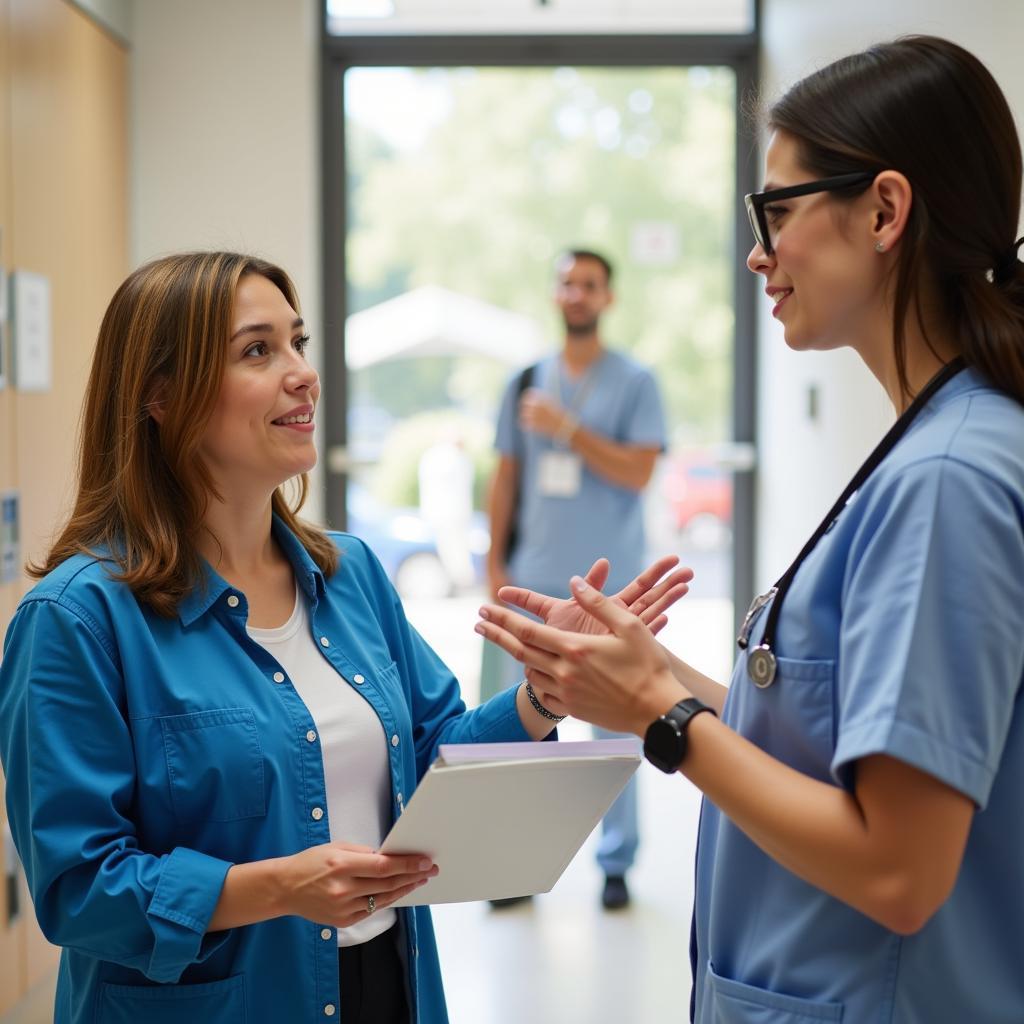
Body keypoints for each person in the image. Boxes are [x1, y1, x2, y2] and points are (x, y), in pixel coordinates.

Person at [476, 35, 1024, 1022]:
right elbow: (825, 747)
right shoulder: (938, 441)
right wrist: (654, 675)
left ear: (885, 210)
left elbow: (898, 868)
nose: (756, 253)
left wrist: (663, 716)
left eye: (775, 211)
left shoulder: (947, 476)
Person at [0, 251, 691, 1024]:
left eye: (298, 343)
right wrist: (274, 887)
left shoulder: (351, 573)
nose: (302, 373)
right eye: (258, 350)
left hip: (390, 985)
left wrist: (539, 694)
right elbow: (76, 889)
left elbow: (434, 758)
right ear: (160, 395)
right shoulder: (77, 620)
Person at [486, 248, 667, 910]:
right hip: (533, 579)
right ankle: (514, 864)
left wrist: (568, 429)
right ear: (555, 293)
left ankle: (616, 862)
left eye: (589, 284)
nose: (577, 294)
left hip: (611, 588)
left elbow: (639, 471)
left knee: (617, 723)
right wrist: (493, 562)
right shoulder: (526, 379)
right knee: (522, 723)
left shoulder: (636, 382)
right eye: (567, 282)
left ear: (607, 298)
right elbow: (506, 473)